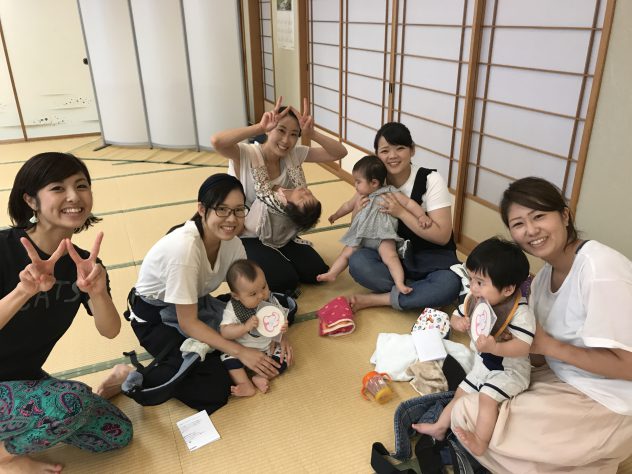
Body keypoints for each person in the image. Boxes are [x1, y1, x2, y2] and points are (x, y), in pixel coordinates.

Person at [451, 177, 632, 472]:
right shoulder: (544, 277)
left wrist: (548, 346)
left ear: (565, 215)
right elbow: (536, 353)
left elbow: (629, 367)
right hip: (565, 377)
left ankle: (588, 457)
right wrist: (505, 339)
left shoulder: (600, 270)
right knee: (473, 400)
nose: (531, 230)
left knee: (469, 416)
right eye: (518, 223)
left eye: (539, 216)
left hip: (610, 400)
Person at [0, 152, 132, 473]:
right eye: (57, 188)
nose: (74, 196)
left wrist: (97, 292)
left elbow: (110, 330)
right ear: (30, 200)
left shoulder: (83, 263)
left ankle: (94, 395)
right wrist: (23, 291)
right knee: (71, 403)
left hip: (22, 380)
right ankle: (6, 458)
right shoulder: (3, 248)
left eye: (81, 185)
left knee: (117, 433)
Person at [127, 173, 292, 414]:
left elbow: (250, 291)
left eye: (238, 210)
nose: (231, 219)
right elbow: (189, 323)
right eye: (222, 209)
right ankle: (128, 375)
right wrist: (241, 352)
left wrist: (277, 331)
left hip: (198, 303)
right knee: (213, 387)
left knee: (278, 310)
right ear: (202, 209)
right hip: (156, 317)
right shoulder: (184, 251)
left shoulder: (232, 243)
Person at [211, 97, 348, 295]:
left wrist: (313, 134)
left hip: (282, 231)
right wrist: (258, 127)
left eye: (294, 134)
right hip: (248, 234)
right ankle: (242, 257)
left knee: (316, 272)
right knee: (285, 281)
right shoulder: (247, 154)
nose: (286, 141)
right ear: (270, 129)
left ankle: (277, 253)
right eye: (281, 130)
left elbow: (339, 153)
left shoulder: (295, 154)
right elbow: (217, 142)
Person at [413, 237, 534, 456]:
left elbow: (524, 347)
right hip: (482, 365)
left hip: (510, 371)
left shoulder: (519, 312)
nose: (472, 287)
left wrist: (496, 348)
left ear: (508, 289)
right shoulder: (474, 299)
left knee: (487, 397)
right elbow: (455, 316)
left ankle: (480, 441)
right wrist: (459, 323)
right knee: (460, 392)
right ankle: (439, 427)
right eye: (470, 279)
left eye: (479, 282)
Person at [348, 122, 461, 312]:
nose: (392, 156)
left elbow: (442, 237)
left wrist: (400, 212)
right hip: (393, 259)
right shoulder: (374, 182)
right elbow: (356, 230)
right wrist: (356, 211)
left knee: (449, 284)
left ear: (412, 150)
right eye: (385, 151)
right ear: (377, 154)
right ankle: (418, 293)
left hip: (431, 259)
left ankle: (383, 298)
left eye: (400, 148)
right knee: (358, 262)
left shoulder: (430, 180)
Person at [317, 155, 432, 293]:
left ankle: (399, 283)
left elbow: (409, 204)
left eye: (358, 182)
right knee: (346, 253)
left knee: (391, 257)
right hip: (362, 234)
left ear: (374, 183)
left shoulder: (390, 192)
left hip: (383, 235)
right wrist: (336, 215)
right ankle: (332, 273)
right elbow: (347, 205)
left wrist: (421, 216)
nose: (355, 185)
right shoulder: (360, 195)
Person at [220, 259, 292, 397]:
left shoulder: (270, 301)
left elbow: (280, 319)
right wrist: (244, 327)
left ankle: (261, 376)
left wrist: (282, 329)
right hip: (242, 349)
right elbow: (225, 332)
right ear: (236, 296)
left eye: (264, 287)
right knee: (227, 356)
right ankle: (244, 383)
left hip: (268, 347)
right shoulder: (233, 308)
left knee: (286, 356)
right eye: (253, 294)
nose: (261, 295)